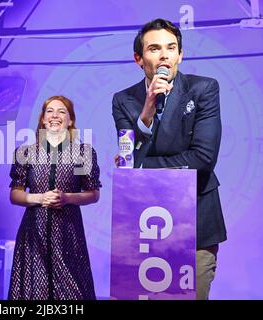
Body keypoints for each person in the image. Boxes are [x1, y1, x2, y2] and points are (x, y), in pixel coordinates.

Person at [112, 18, 227, 300]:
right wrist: (148, 109)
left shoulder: (204, 89)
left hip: (196, 221)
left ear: (180, 54)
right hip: (142, 225)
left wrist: (141, 167)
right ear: (139, 59)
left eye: (171, 47)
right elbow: (128, 159)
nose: (164, 55)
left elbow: (202, 159)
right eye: (154, 48)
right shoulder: (123, 99)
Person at [8, 95, 101, 300]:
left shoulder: (82, 153)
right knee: (35, 294)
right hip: (34, 233)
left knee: (72, 292)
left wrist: (67, 198)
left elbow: (93, 193)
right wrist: (39, 198)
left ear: (70, 120)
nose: (55, 115)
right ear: (42, 118)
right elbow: (15, 194)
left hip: (68, 233)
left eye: (61, 111)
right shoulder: (26, 152)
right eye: (49, 111)